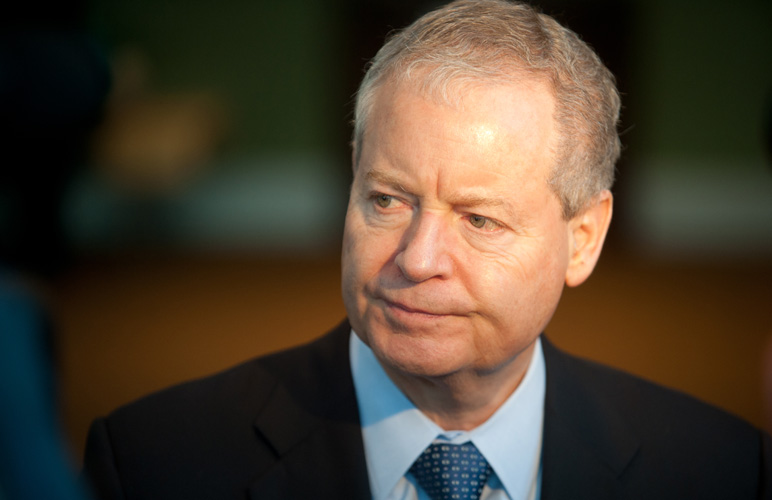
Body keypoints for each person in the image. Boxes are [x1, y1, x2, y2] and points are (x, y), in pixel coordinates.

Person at [81, 1, 772, 499]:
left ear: (582, 240)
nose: (417, 259)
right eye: (388, 200)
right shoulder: (151, 463)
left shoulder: (723, 470)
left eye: (478, 220)